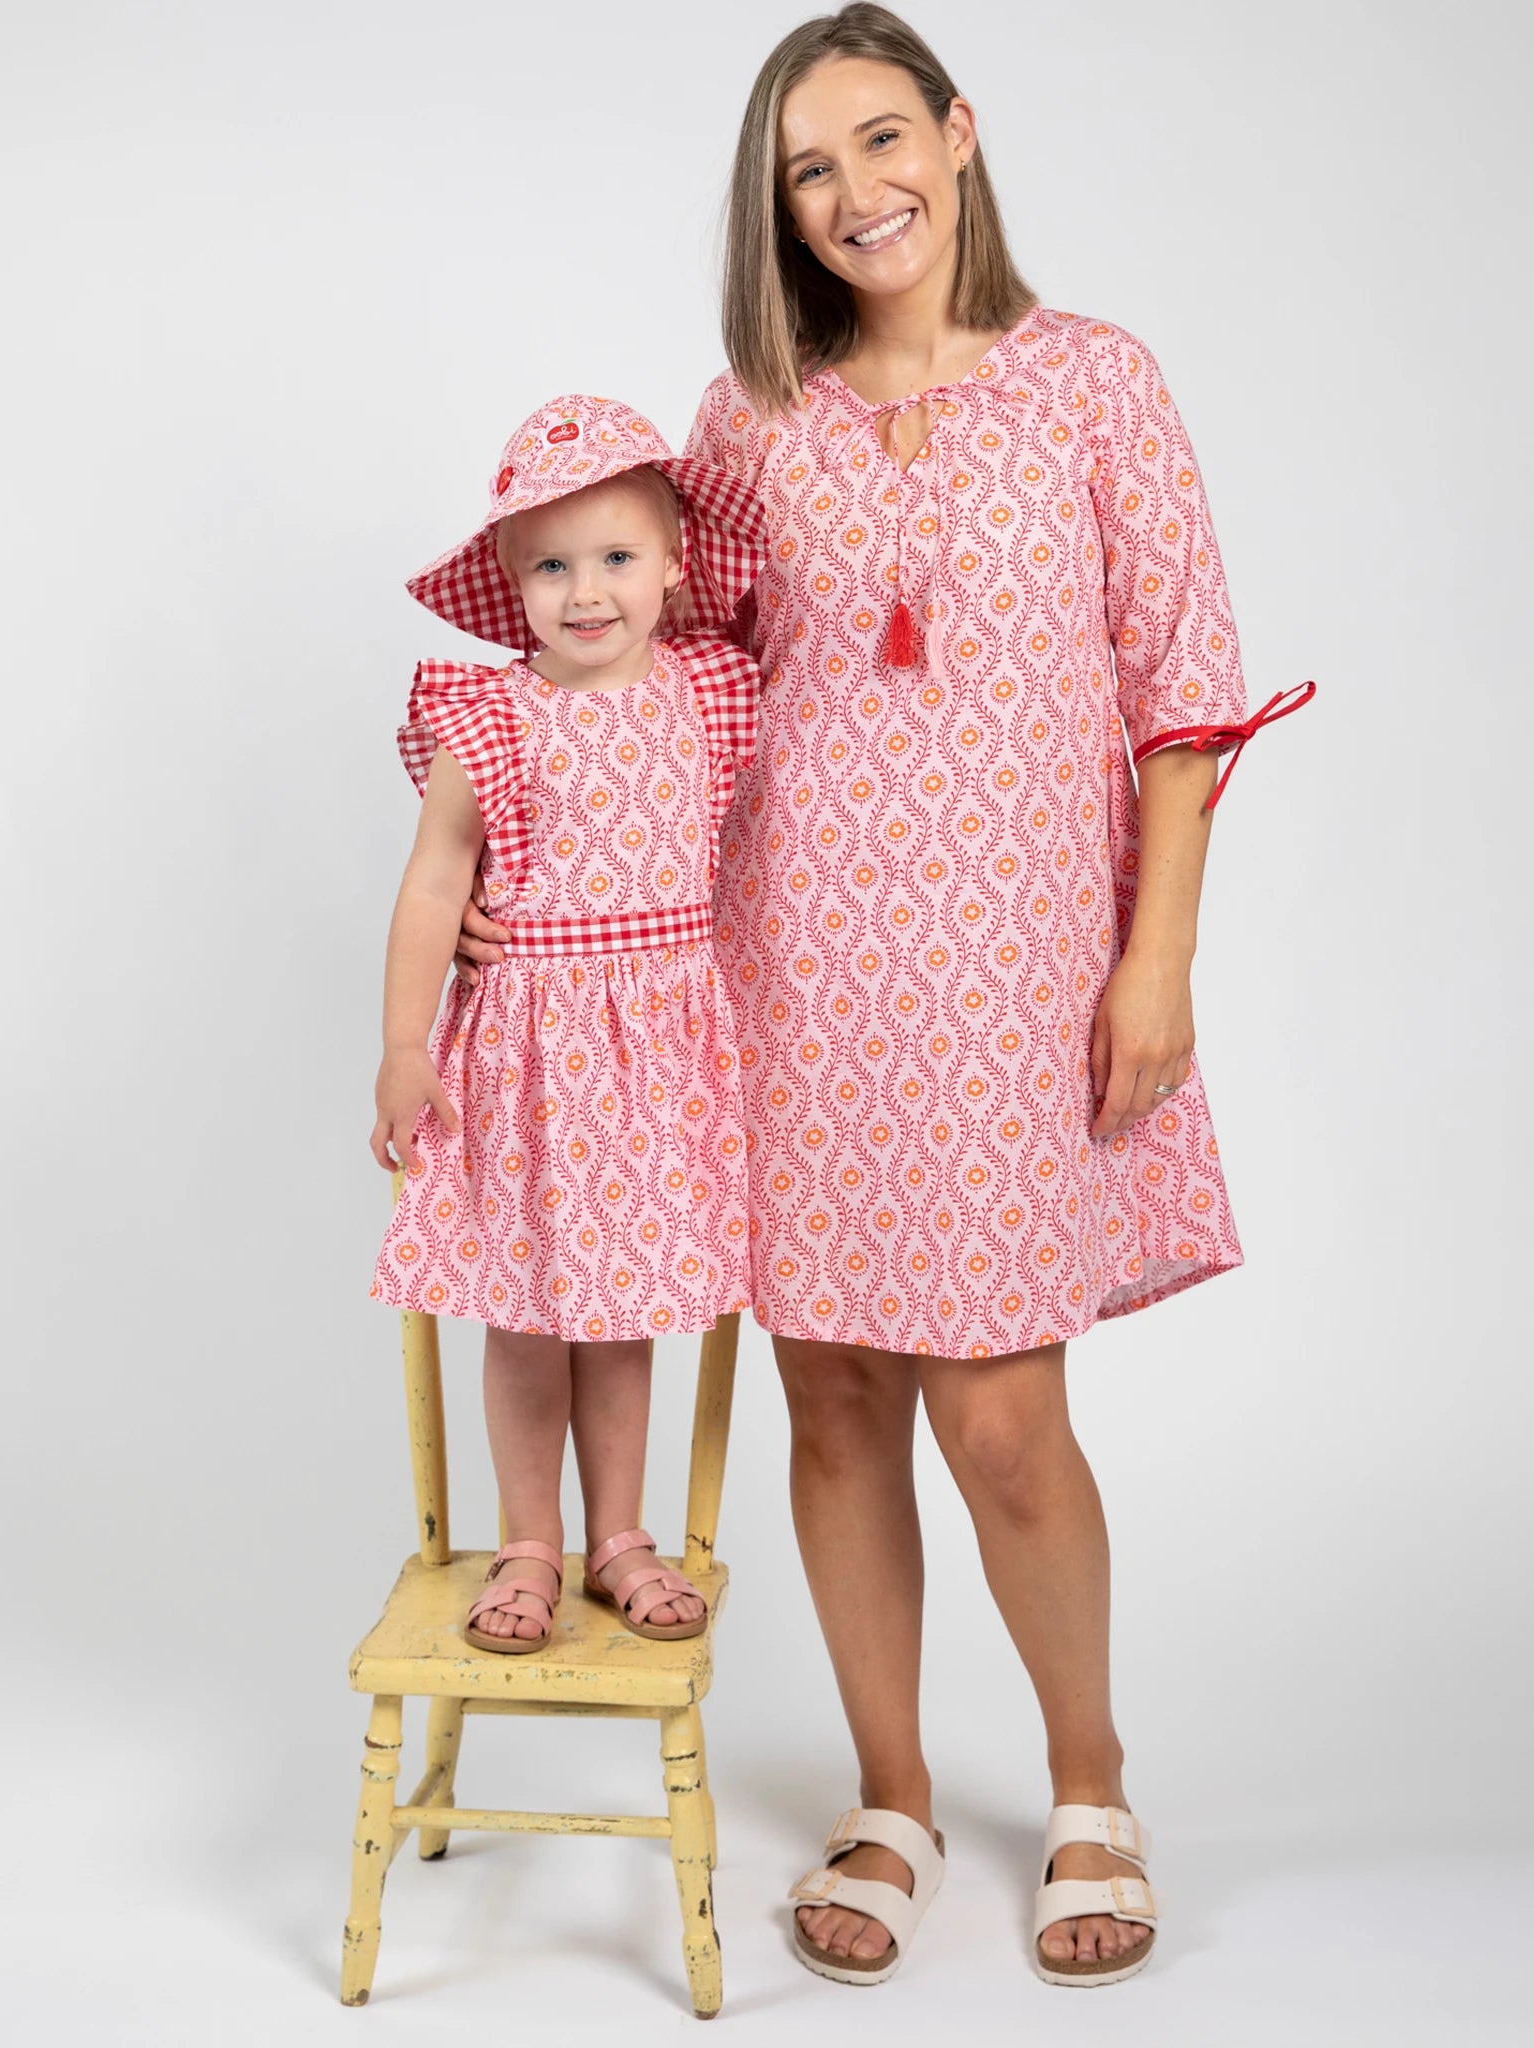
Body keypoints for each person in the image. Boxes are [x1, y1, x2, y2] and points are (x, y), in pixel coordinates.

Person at [453, 2, 1314, 1989]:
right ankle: (894, 1790)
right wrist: (515, 884)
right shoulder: (748, 417)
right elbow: (649, 685)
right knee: (833, 1397)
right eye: (804, 171)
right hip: (788, 971)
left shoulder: (1100, 383)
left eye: (875, 140)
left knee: (1003, 1414)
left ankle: (1089, 1778)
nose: (852, 195)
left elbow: (1183, 695)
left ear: (960, 129)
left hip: (1021, 975)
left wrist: (1158, 952)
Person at [372, 394, 768, 1655]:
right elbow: (438, 877)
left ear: (672, 565)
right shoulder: (489, 717)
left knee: (624, 1314)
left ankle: (620, 1533)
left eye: (616, 557)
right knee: (527, 1311)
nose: (584, 591)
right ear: (509, 579)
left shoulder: (709, 688)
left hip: (658, 1059)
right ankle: (529, 1537)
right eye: (550, 564)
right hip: (529, 1056)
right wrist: (401, 1042)